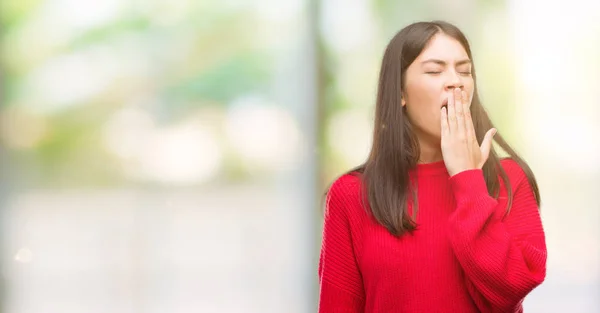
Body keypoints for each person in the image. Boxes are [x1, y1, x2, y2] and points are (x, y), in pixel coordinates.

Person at [317, 20, 547, 313]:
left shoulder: (509, 180)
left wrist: (468, 179)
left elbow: (510, 289)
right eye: (435, 71)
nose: (455, 81)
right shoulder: (350, 194)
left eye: (464, 71)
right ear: (400, 93)